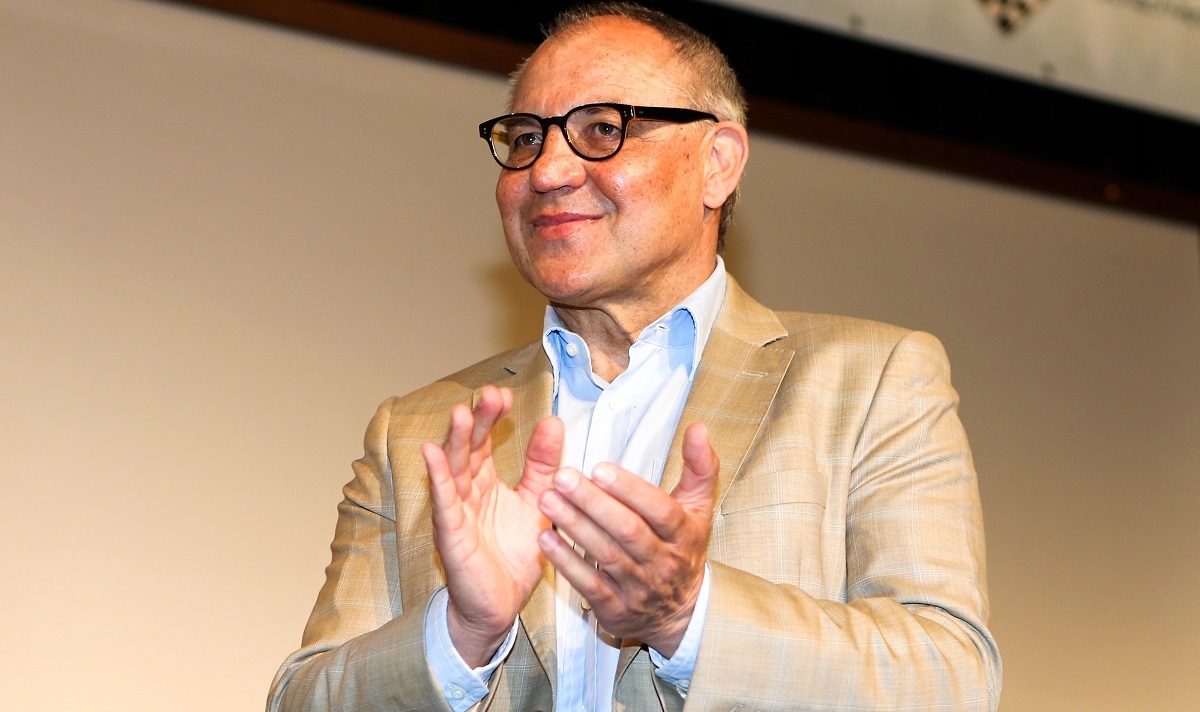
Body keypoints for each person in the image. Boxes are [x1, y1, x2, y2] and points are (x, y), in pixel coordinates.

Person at [267, 3, 1002, 711]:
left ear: (718, 163)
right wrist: (460, 634)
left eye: (601, 129)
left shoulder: (869, 382)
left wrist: (689, 615)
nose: (547, 171)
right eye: (525, 138)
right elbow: (301, 699)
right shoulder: (419, 433)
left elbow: (951, 681)